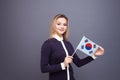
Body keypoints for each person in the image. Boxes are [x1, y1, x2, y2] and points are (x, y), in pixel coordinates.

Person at [41, 14, 104, 80]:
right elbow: (44, 68)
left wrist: (94, 55)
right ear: (54, 25)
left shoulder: (68, 44)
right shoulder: (48, 44)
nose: (62, 27)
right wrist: (63, 64)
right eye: (59, 24)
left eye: (65, 25)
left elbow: (79, 63)